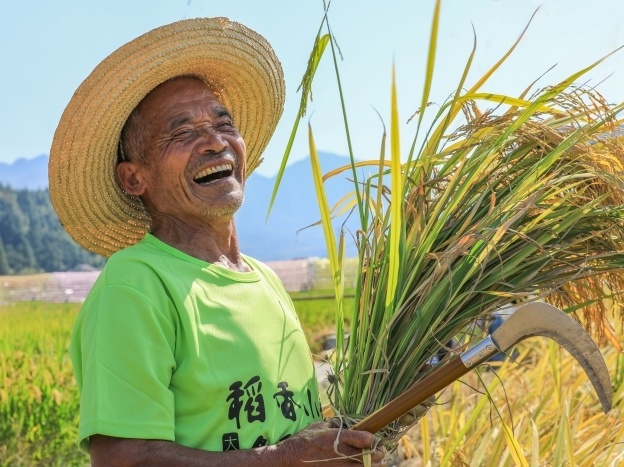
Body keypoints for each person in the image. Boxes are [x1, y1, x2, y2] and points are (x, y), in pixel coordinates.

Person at [49, 18, 384, 465]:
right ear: (134, 177)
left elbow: (284, 425)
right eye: (182, 132)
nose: (214, 142)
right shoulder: (135, 286)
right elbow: (126, 459)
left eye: (224, 124)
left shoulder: (263, 280)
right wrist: (284, 459)